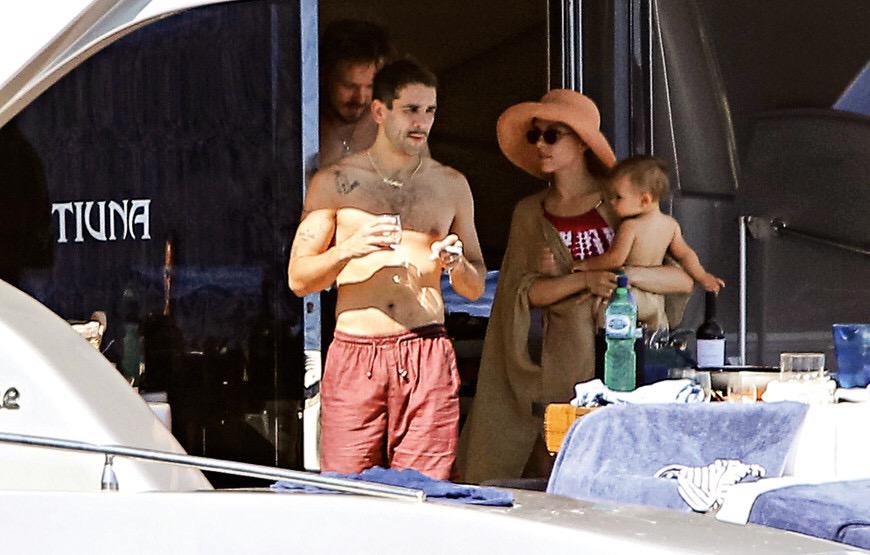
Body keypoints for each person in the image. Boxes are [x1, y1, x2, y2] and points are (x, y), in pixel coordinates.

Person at [455, 90, 693, 484]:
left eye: (553, 135)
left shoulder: (621, 203)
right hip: (555, 364)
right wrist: (583, 280)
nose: (541, 145)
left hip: (623, 359)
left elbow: (678, 279)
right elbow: (521, 294)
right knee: (552, 472)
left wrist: (621, 276)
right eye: (535, 135)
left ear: (583, 142)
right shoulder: (529, 212)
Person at [288, 59, 486, 480]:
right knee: (347, 487)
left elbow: (474, 286)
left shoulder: (451, 184)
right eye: (411, 110)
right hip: (357, 351)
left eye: (430, 111)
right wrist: (349, 249)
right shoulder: (336, 182)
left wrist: (455, 263)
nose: (422, 122)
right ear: (379, 111)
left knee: (426, 491)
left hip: (426, 347)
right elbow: (299, 278)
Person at [574, 156, 724, 313]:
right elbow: (686, 254)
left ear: (644, 200)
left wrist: (585, 265)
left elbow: (615, 259)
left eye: (618, 197)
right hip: (655, 296)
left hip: (630, 294)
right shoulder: (671, 225)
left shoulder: (630, 226)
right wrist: (703, 276)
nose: (612, 202)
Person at [318, 20, 393, 167]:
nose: (360, 99)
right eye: (349, 86)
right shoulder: (300, 125)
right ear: (324, 75)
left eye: (371, 86)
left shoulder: (396, 125)